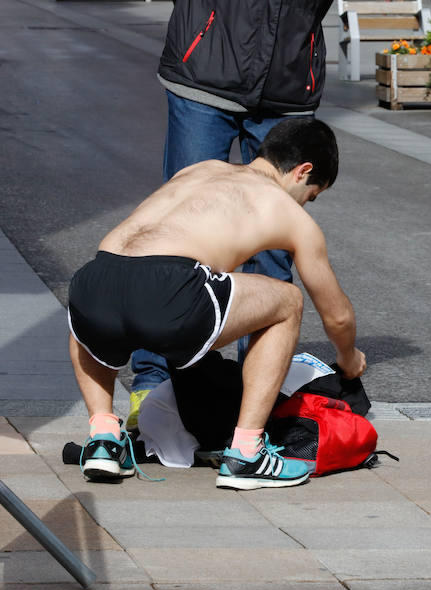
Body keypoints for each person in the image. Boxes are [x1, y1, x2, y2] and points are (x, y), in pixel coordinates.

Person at [68, 119, 366, 490]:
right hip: (169, 290)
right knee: (287, 301)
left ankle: (103, 437)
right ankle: (246, 453)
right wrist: (349, 357)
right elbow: (336, 316)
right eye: (313, 194)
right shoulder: (289, 213)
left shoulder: (200, 169)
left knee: (100, 298)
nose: (308, 204)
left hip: (92, 283)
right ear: (303, 171)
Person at [127, 0, 336, 431]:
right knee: (179, 233)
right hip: (206, 70)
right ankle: (155, 378)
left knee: (276, 245)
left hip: (289, 82)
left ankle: (257, 392)